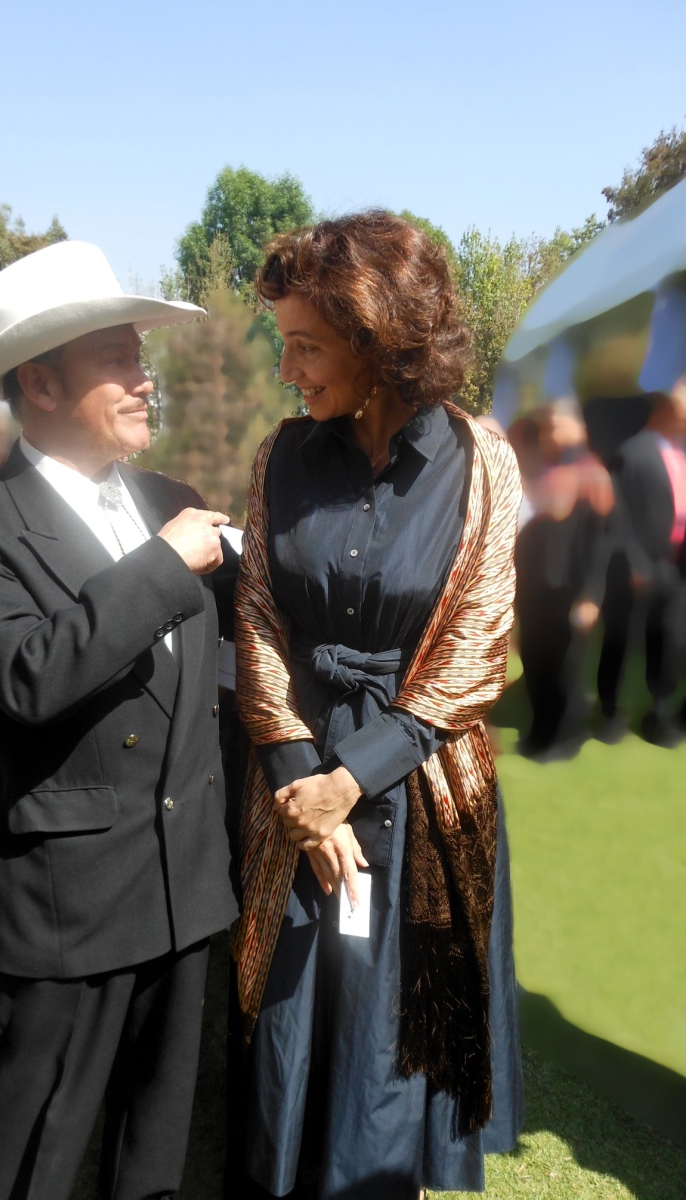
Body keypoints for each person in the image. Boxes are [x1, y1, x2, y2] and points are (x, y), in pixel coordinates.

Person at [0, 240, 240, 1200]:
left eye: (144, 356)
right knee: (35, 1158)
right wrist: (166, 568)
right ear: (43, 383)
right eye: (122, 359)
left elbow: (209, 669)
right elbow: (28, 674)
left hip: (183, 886)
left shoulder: (168, 504)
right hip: (71, 904)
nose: (148, 379)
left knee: (154, 1148)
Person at [231, 213, 524, 1198]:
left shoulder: (481, 462)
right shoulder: (281, 459)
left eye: (304, 345)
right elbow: (262, 622)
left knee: (396, 1047)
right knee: (294, 1024)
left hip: (426, 795)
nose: (286, 370)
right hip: (296, 793)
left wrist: (356, 777)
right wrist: (300, 782)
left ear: (376, 338)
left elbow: (480, 645)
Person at [514, 399, 615, 758]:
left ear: (578, 429)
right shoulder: (542, 474)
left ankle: (565, 738)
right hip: (534, 591)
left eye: (558, 425)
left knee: (564, 667)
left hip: (569, 592)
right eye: (546, 428)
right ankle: (540, 734)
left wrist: (591, 594)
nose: (550, 433)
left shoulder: (593, 476)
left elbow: (600, 542)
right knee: (536, 661)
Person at [597, 385, 686, 746]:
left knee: (668, 641)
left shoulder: (682, 452)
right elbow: (619, 514)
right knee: (621, 639)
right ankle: (610, 712)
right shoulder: (631, 452)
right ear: (666, 409)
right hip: (638, 568)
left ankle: (659, 711)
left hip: (676, 567)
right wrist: (634, 561)